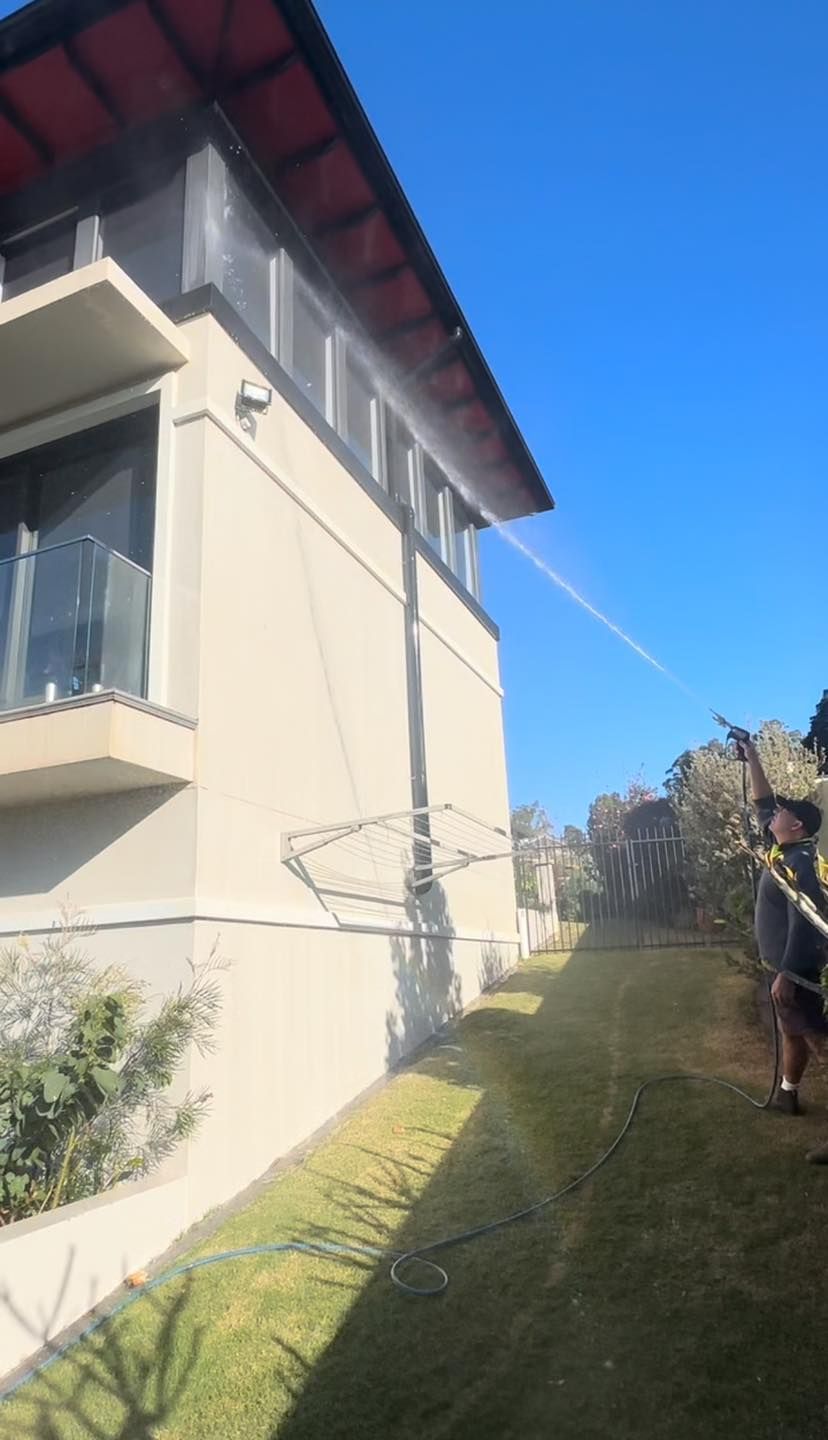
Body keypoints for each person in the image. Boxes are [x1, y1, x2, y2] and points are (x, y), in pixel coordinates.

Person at [741, 736, 828, 1157]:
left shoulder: (800, 864)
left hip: (799, 975)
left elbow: (806, 923)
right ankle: (787, 1094)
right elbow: (763, 803)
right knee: (791, 1032)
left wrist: (788, 976)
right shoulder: (783, 850)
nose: (775, 813)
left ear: (798, 827)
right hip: (782, 970)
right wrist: (752, 755)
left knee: (822, 1046)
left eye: (784, 812)